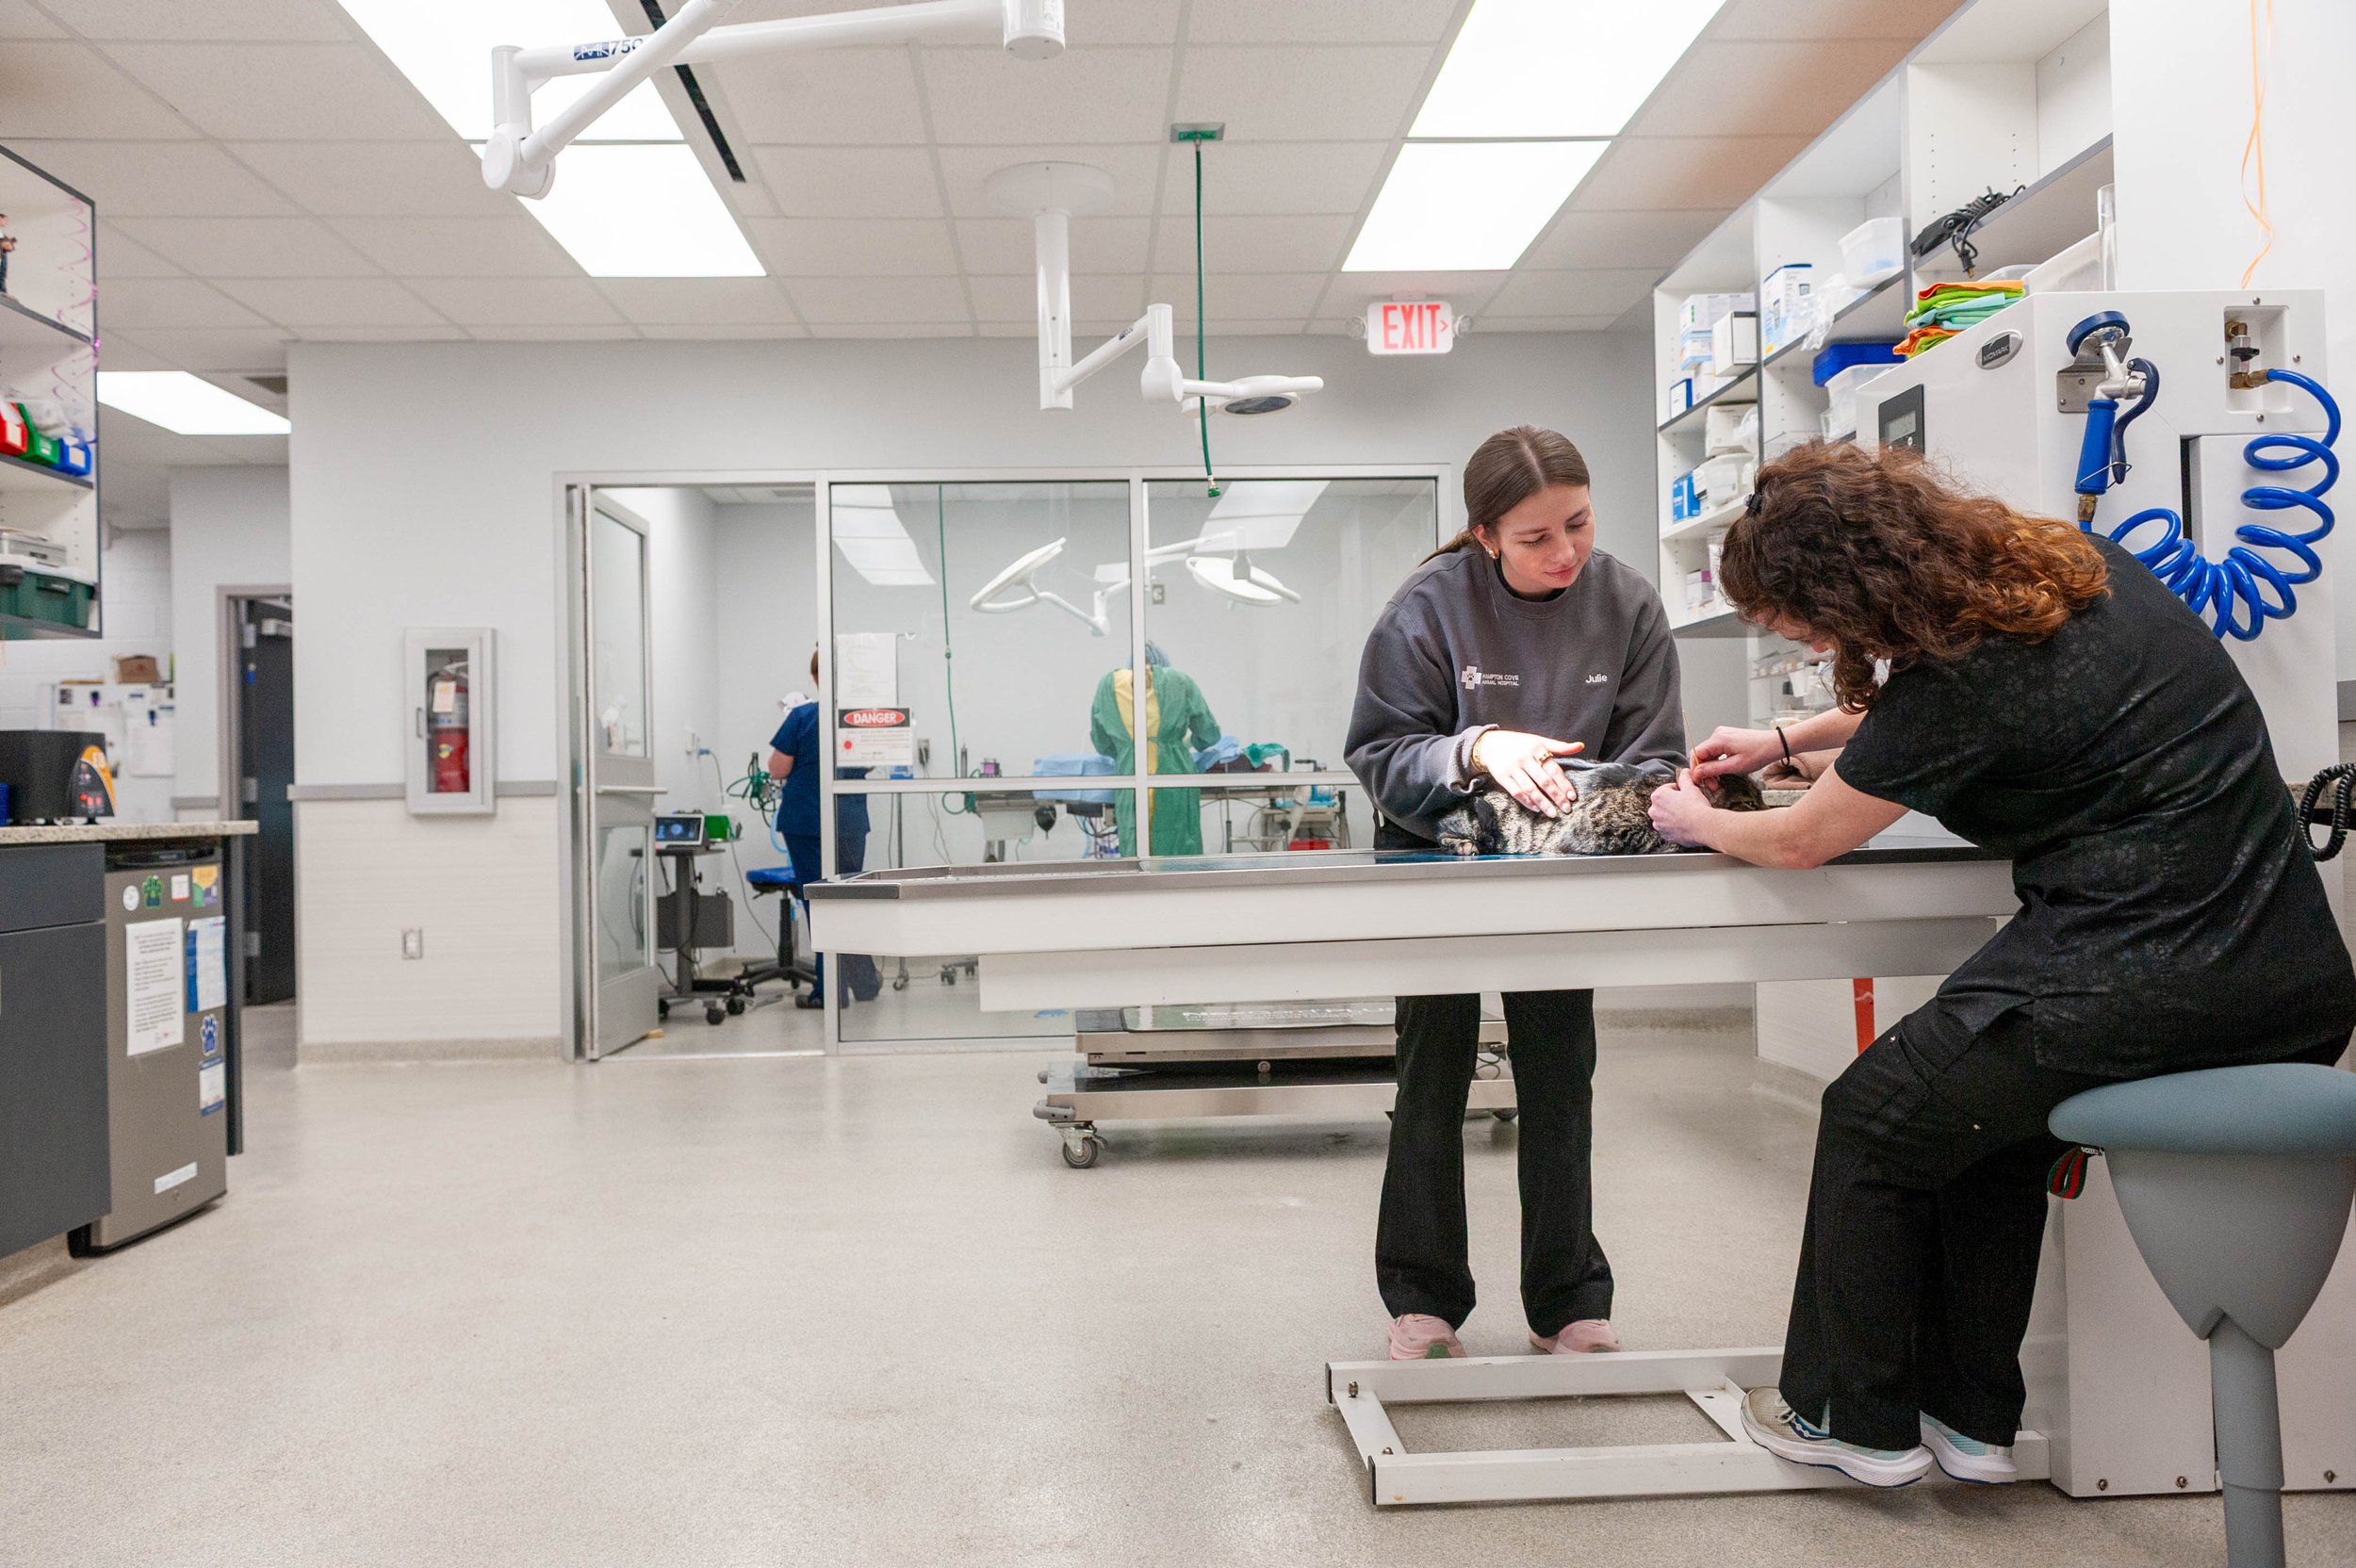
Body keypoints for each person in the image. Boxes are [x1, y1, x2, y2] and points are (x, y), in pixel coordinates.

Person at [1647, 440, 2356, 1488]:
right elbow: (1920, 725)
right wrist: (1787, 740)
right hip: (2282, 968)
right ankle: (1966, 1418)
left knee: (1872, 1113)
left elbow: (1806, 841)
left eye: (1798, 618)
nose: (1801, 635)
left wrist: (1697, 820)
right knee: (1985, 1129)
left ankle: (1846, 1416)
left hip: (2151, 969)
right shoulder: (2070, 568)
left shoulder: (1965, 677)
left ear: (1851, 593)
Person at [1345, 425, 1686, 1362]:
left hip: (1558, 870)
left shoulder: (1626, 604)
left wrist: (1572, 800)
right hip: (1433, 862)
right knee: (1430, 1076)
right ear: (1486, 533)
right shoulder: (1426, 607)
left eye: (1575, 523)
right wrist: (1476, 748)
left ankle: (1568, 1296)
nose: (1565, 550)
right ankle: (1423, 1294)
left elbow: (1658, 756)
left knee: (1557, 1074)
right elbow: (1378, 754)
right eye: (1535, 537)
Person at [768, 649, 880, 1008]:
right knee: (849, 901)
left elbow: (777, 769)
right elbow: (871, 765)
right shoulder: (860, 720)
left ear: (815, 678)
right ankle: (864, 984)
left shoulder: (802, 716)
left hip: (805, 821)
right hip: (847, 821)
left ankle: (829, 992)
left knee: (818, 903)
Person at [1088, 641, 1220, 857]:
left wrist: (1125, 751)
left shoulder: (1108, 685)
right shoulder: (1179, 680)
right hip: (1173, 776)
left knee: (1136, 850)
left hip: (1130, 777)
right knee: (1178, 850)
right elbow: (1208, 735)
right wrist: (1183, 744)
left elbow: (1102, 743)